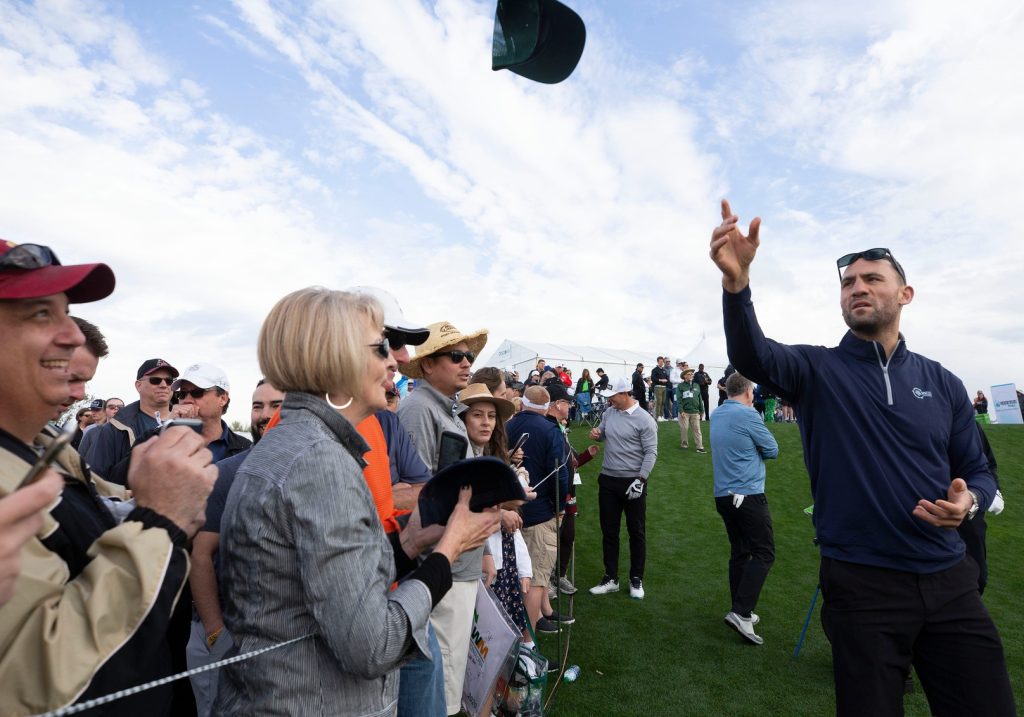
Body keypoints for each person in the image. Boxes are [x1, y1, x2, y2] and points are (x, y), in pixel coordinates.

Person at [710, 199, 1015, 715]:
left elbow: (978, 472)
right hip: (861, 583)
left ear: (905, 294)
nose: (858, 288)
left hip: (949, 580)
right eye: (849, 283)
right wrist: (737, 289)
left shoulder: (943, 382)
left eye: (872, 278)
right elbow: (752, 356)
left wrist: (970, 505)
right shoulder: (815, 369)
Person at [214, 288, 499, 716]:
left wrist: (410, 545)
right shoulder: (319, 459)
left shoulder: (309, 443)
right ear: (336, 356)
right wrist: (448, 550)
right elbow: (373, 645)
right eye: (382, 346)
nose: (395, 361)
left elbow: (328, 579)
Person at [0, 240, 217, 716]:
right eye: (40, 315)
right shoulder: (96, 435)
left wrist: (154, 493)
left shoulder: (40, 446)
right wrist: (163, 520)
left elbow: (99, 505)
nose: (70, 335)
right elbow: (39, 682)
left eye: (66, 314)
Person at [711, 373, 779, 645]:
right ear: (749, 391)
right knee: (764, 552)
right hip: (748, 494)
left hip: (723, 495)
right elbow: (772, 449)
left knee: (740, 551)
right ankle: (741, 611)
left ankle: (740, 609)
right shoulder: (748, 415)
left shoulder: (717, 413)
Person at [506, 385, 572, 633]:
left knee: (526, 574)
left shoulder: (508, 425)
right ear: (547, 407)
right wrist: (560, 506)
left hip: (512, 511)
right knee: (535, 577)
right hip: (539, 511)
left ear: (522, 403)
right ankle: (528, 644)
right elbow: (559, 473)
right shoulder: (550, 429)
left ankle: (541, 617)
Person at [588, 375, 658, 599]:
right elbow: (603, 433)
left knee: (636, 532)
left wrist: (641, 479)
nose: (610, 401)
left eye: (614, 396)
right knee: (609, 531)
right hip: (608, 479)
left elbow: (651, 452)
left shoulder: (645, 420)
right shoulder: (610, 413)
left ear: (626, 394)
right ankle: (611, 578)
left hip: (633, 482)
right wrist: (597, 434)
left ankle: (636, 579)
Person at [82, 357, 179, 480]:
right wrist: (128, 494)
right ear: (138, 386)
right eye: (155, 380)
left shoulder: (186, 422)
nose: (164, 385)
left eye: (169, 381)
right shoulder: (114, 429)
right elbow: (95, 479)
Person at [170, 364, 252, 463]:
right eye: (182, 394)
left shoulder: (246, 449)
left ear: (223, 398)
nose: (187, 400)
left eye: (197, 392)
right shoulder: (165, 437)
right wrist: (168, 426)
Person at [675, 367, 706, 453]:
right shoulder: (680, 386)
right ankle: (684, 444)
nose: (691, 375)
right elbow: (679, 399)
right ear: (684, 376)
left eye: (692, 374)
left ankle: (700, 447)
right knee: (684, 428)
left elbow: (700, 398)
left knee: (697, 430)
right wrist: (681, 411)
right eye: (689, 374)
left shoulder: (696, 385)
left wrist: (702, 410)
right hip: (685, 412)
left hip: (695, 412)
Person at [651, 357, 671, 422]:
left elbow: (667, 378)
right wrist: (661, 380)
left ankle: (662, 416)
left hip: (664, 388)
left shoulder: (664, 370)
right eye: (660, 361)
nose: (661, 363)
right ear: (657, 362)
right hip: (658, 387)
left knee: (663, 402)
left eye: (662, 361)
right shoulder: (654, 370)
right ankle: (658, 416)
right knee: (659, 402)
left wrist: (666, 380)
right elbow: (653, 378)